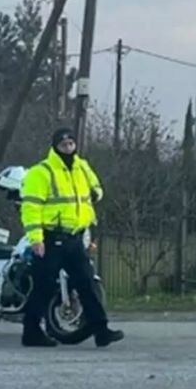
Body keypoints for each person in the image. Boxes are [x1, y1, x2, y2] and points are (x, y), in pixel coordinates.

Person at [19, 127, 124, 348]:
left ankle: (101, 330)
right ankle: (31, 332)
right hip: (51, 238)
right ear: (55, 146)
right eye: (63, 144)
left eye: (71, 143)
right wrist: (35, 238)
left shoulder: (82, 167)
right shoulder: (41, 172)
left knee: (86, 282)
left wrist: (96, 193)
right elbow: (31, 207)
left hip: (75, 237)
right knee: (44, 285)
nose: (68, 147)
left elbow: (96, 188)